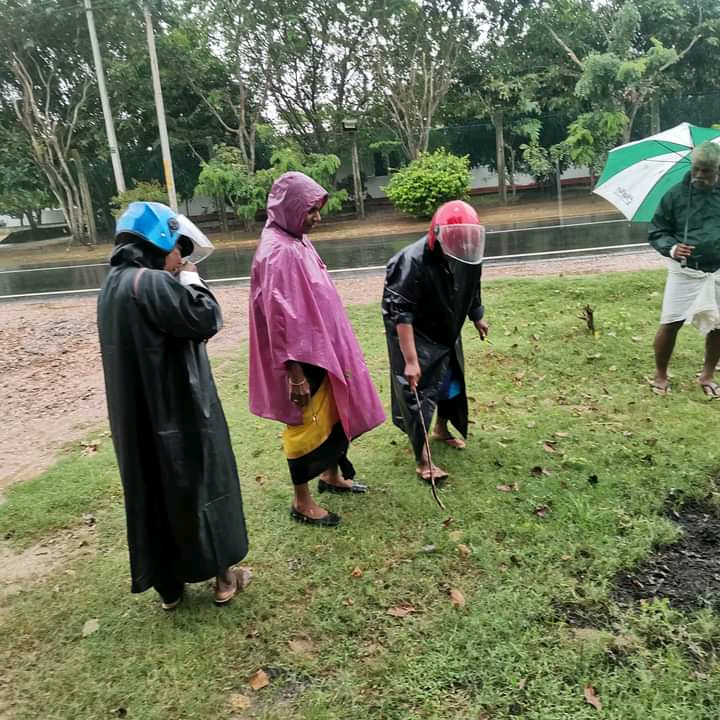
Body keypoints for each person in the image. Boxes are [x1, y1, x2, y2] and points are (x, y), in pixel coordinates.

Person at [97, 201, 250, 610]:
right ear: (160, 243)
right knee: (205, 483)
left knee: (153, 492)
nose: (181, 258)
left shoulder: (113, 286)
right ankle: (224, 579)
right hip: (180, 410)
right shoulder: (153, 283)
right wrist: (192, 278)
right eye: (178, 249)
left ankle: (169, 589)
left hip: (136, 418)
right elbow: (205, 318)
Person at [249, 172, 385, 527]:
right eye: (311, 210)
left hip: (321, 347)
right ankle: (301, 501)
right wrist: (294, 375)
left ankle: (331, 475)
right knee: (303, 423)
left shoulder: (296, 239)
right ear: (291, 208)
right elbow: (278, 318)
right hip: (301, 356)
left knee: (334, 412)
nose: (318, 218)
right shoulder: (278, 251)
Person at [382, 200, 489, 481]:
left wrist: (477, 316)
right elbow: (400, 313)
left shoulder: (467, 253)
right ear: (438, 234)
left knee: (449, 383)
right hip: (414, 334)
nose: (462, 243)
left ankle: (442, 428)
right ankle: (423, 460)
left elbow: (471, 286)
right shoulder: (410, 262)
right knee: (417, 394)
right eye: (457, 237)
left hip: (445, 329)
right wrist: (410, 360)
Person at [649, 141, 720, 398]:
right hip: (686, 270)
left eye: (706, 171)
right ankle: (660, 375)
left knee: (718, 326)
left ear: (717, 170)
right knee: (671, 322)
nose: (699, 175)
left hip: (717, 269)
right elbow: (657, 231)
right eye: (696, 169)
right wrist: (672, 248)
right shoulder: (675, 195)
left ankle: (708, 375)